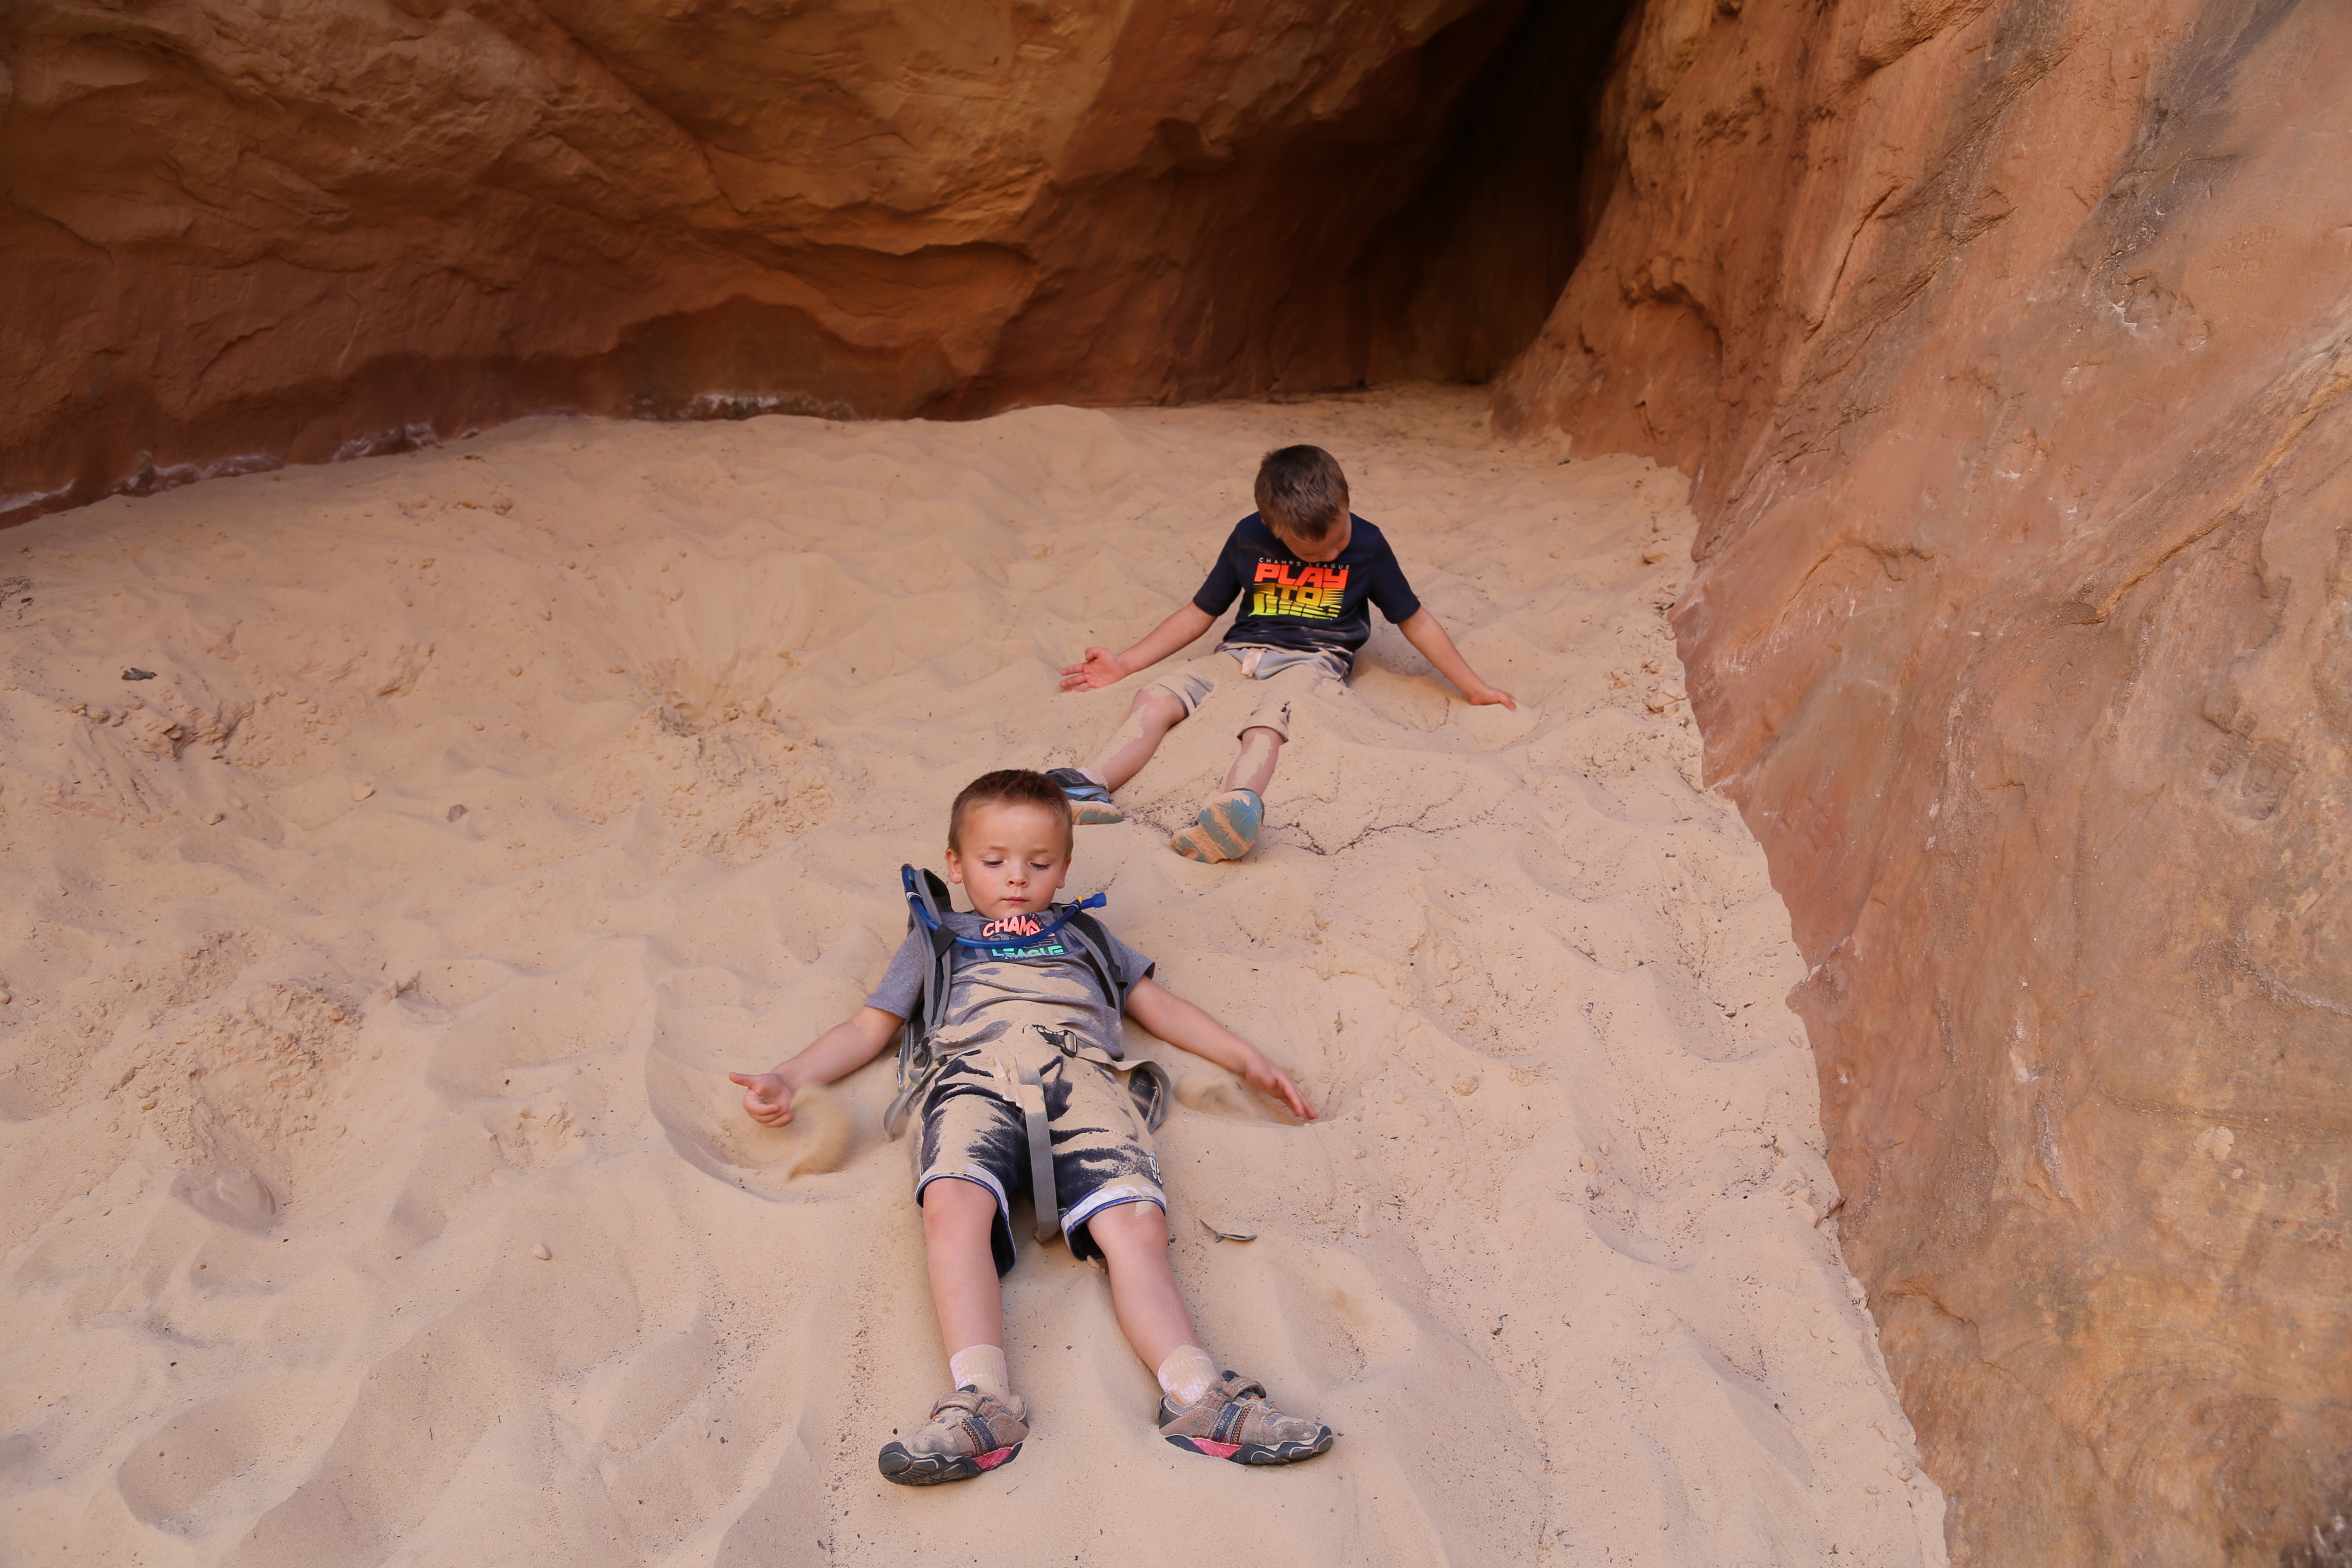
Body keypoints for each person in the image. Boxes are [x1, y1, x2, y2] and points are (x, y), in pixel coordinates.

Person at [729, 769, 1334, 1485]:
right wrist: (791, 1076)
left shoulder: (1085, 932)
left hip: (1083, 1074)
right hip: (971, 1073)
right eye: (993, 862)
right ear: (955, 865)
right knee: (953, 1201)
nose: (1016, 879)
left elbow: (1158, 1007)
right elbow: (868, 1026)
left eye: (1039, 863)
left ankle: (1198, 1395)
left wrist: (1246, 1057)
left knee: (1134, 1221)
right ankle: (982, 1400)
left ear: (1065, 865)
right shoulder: (938, 937)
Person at [1048, 443, 1516, 862]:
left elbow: (1414, 618)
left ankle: (1236, 806)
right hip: (1241, 652)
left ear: (1346, 504)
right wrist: (1126, 664)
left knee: (1269, 721)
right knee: (1157, 697)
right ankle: (1092, 784)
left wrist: (1474, 687)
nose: (1334, 555)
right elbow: (1199, 612)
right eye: (1317, 552)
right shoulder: (1248, 538)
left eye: (1340, 540)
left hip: (1317, 658)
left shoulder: (1368, 544)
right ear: (1274, 528)